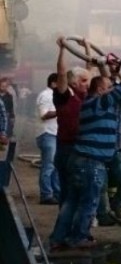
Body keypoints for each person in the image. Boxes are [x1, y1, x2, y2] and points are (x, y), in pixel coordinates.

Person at [49, 61, 121, 251]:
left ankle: (58, 238)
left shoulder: (100, 104)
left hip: (81, 160)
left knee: (72, 202)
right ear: (100, 89)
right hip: (90, 162)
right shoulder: (98, 102)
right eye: (108, 87)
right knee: (88, 202)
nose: (112, 88)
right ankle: (78, 237)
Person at [95, 56, 121, 225]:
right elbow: (111, 87)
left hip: (116, 149)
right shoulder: (99, 103)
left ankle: (117, 203)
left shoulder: (118, 104)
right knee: (101, 186)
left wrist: (117, 74)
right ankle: (104, 216)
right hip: (98, 151)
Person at [53, 37, 93, 205]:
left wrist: (88, 48)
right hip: (67, 149)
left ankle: (77, 227)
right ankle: (65, 228)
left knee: (82, 192)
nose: (88, 84)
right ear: (74, 83)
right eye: (83, 81)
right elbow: (61, 72)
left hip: (82, 148)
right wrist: (63, 48)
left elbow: (89, 69)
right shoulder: (64, 97)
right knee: (68, 193)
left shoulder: (85, 96)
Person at [35, 73, 61, 205]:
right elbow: (44, 115)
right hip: (47, 134)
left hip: (55, 134)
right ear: (53, 83)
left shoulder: (56, 96)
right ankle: (46, 194)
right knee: (49, 165)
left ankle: (56, 193)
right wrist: (61, 111)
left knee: (56, 166)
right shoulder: (46, 95)